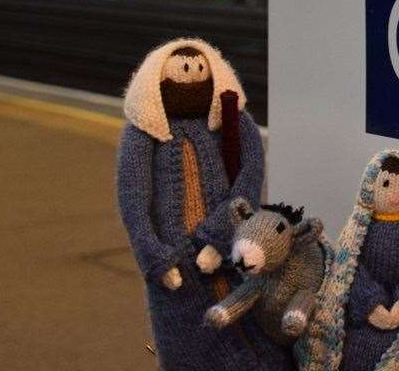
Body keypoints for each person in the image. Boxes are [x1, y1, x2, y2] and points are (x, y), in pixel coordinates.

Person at [115, 38, 291, 371]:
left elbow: (249, 178)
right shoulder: (143, 135)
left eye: (199, 71)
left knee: (253, 332)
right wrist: (155, 258)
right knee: (187, 343)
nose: (191, 80)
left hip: (233, 255)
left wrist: (219, 236)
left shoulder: (232, 123)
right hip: (176, 268)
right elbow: (133, 202)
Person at [300, 150, 399, 371]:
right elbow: (351, 269)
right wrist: (370, 304)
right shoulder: (361, 229)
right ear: (372, 186)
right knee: (355, 349)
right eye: (386, 184)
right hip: (363, 319)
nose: (394, 194)